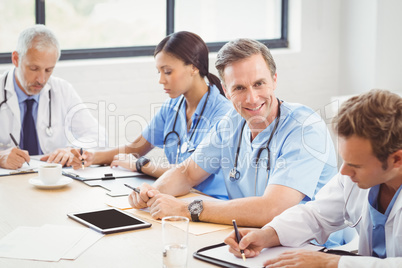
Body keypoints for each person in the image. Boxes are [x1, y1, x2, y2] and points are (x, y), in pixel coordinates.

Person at [127, 38, 338, 229]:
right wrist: (153, 193)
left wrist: (185, 209)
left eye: (259, 84)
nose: (252, 98)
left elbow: (272, 209)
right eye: (239, 88)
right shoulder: (230, 123)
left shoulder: (304, 128)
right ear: (226, 91)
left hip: (314, 246)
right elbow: (187, 172)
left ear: (274, 80)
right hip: (252, 237)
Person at [225, 89, 402, 267]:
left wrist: (333, 263)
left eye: (356, 165)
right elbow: (316, 215)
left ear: (397, 159)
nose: (344, 172)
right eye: (345, 161)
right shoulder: (355, 178)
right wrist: (268, 235)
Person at [71, 31, 232, 200]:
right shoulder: (172, 107)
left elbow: (189, 172)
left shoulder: (222, 113)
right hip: (178, 196)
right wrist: (92, 157)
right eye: (159, 72)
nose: (161, 80)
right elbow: (135, 148)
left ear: (193, 67)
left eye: (168, 72)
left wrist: (141, 165)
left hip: (209, 201)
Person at [0, 24, 105, 170]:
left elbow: (96, 134)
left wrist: (73, 150)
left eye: (49, 70)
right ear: (16, 59)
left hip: (52, 179)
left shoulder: (62, 90)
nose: (42, 79)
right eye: (34, 68)